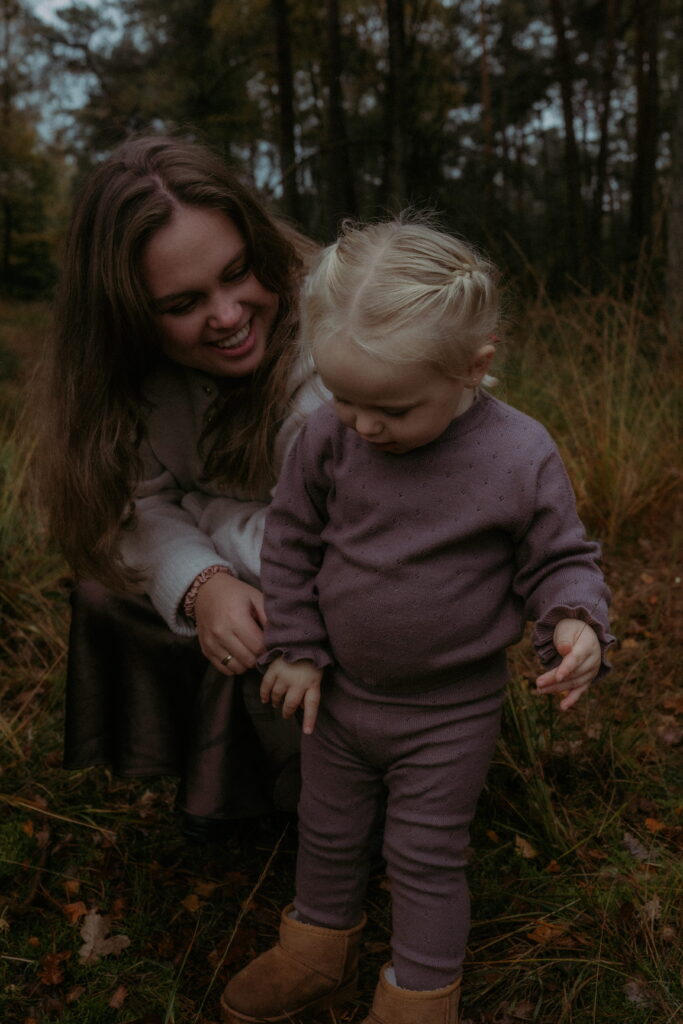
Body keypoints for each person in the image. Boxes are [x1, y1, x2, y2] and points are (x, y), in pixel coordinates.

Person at [219, 219, 614, 1023]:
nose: (364, 425)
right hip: (338, 698)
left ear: (474, 367)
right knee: (325, 831)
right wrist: (295, 648)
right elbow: (291, 539)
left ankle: (420, 994)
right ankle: (315, 949)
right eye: (344, 397)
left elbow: (559, 559)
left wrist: (575, 622)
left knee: (425, 855)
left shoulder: (517, 454)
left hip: (448, 712)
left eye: (392, 408)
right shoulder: (328, 437)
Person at [39, 135, 326, 837]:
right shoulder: (128, 382)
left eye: (238, 273)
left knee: (277, 618)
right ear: (128, 315)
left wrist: (205, 520)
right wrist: (203, 585)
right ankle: (216, 781)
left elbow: (334, 538)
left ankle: (334, 804)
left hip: (364, 596)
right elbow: (136, 506)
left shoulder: (339, 338)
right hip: (262, 570)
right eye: (183, 303)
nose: (227, 316)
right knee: (108, 586)